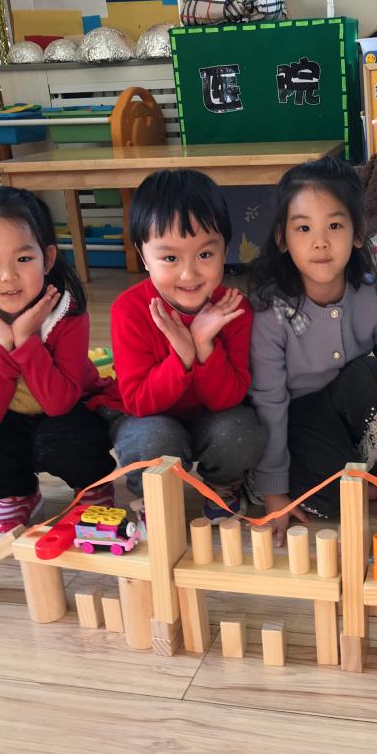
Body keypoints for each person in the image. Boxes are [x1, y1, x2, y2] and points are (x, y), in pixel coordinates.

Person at [248, 157, 377, 545]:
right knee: (332, 502)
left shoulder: (373, 294)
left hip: (346, 412)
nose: (320, 242)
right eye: (303, 228)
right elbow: (270, 403)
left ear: (358, 233)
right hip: (294, 422)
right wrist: (274, 489)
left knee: (376, 375)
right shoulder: (270, 311)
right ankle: (260, 478)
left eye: (335, 226)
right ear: (282, 238)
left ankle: (365, 467)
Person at [0, 188, 117, 539]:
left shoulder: (66, 316)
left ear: (47, 259)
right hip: (5, 420)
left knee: (73, 440)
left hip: (67, 413)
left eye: (23, 258)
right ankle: (19, 493)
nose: (8, 276)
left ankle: (91, 486)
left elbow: (60, 402)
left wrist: (26, 339)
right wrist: (3, 344)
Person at [110, 169, 265, 519]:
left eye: (205, 255)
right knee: (148, 440)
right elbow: (138, 402)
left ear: (225, 249)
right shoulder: (129, 311)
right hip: (152, 418)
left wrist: (203, 344)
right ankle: (154, 497)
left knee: (240, 431)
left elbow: (229, 398)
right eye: (170, 258)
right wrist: (182, 355)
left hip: (212, 417)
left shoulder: (234, 308)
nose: (189, 274)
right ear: (143, 256)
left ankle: (224, 484)